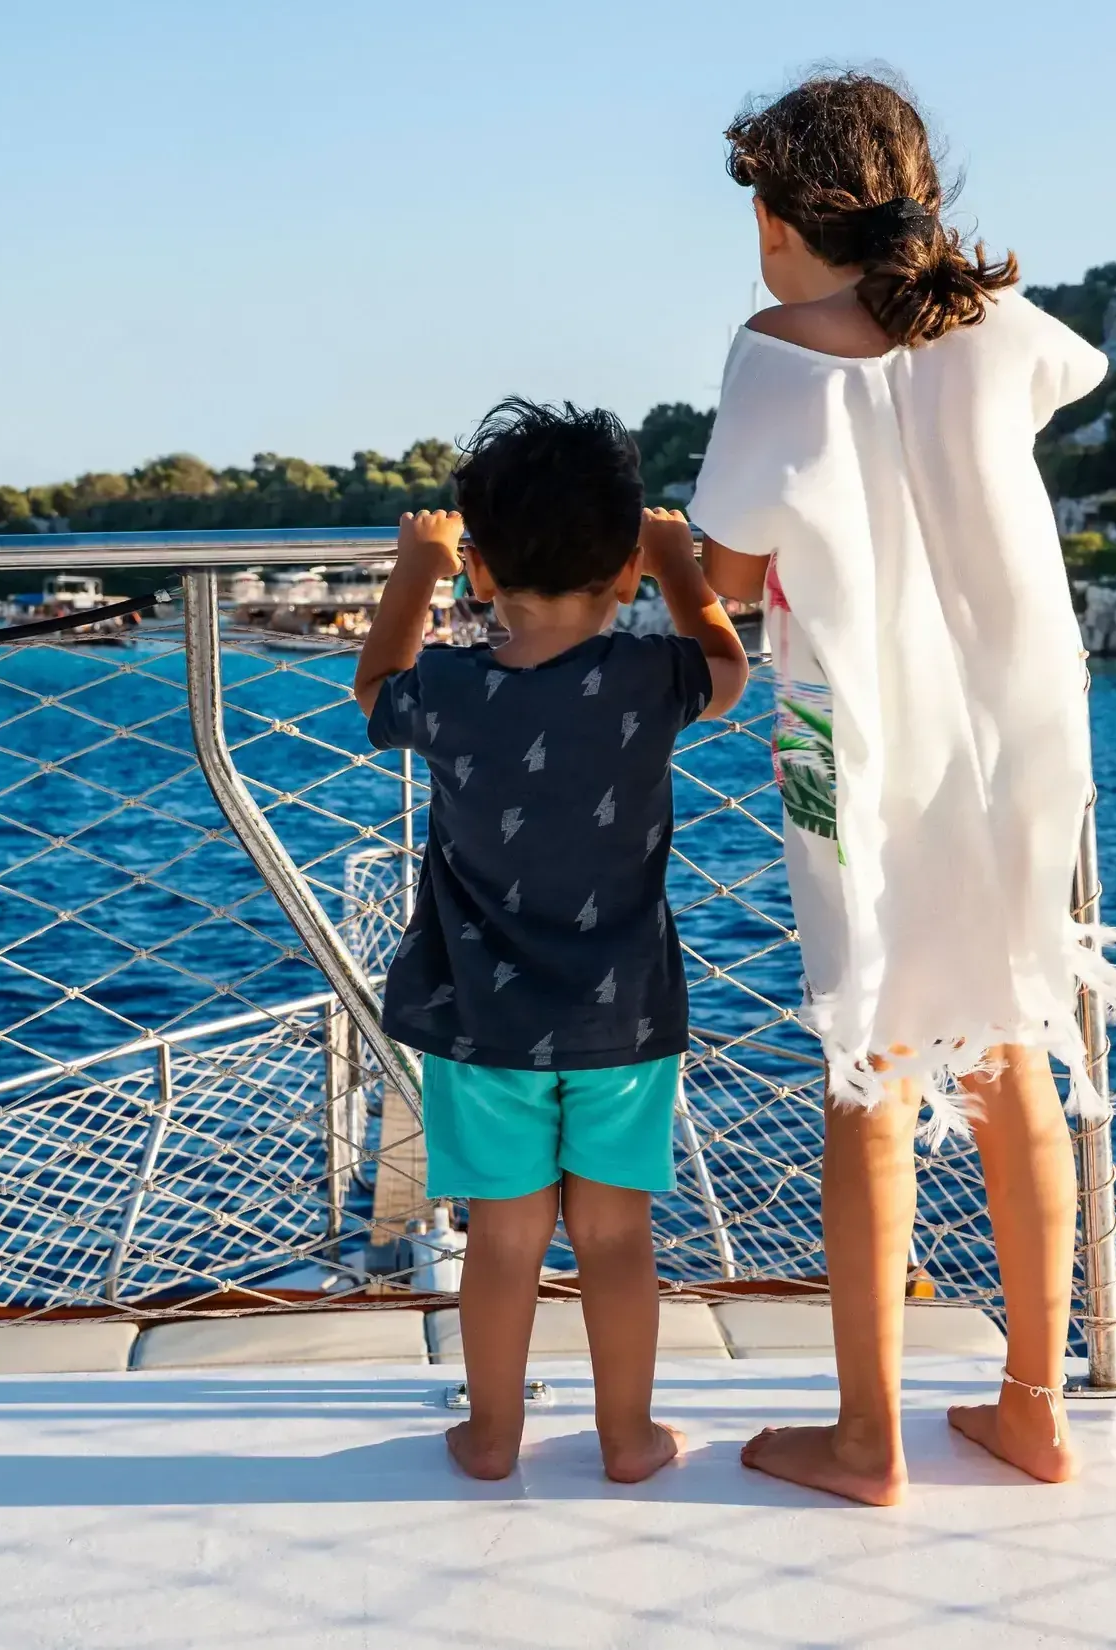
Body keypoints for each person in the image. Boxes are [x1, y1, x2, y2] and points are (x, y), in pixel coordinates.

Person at [685, 72, 1116, 1506]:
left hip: (864, 739)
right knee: (1018, 1035)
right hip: (1021, 733)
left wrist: (686, 568)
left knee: (870, 1063)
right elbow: (1073, 368)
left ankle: (868, 1433)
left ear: (781, 218)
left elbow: (722, 562)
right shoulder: (998, 329)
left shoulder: (776, 354)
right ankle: (1033, 1407)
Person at [354, 399, 749, 1484]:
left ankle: (491, 1437)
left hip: (484, 1020)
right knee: (617, 1239)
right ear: (622, 568)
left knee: (502, 1236)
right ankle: (628, 1438)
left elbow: (373, 688)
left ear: (479, 569)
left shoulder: (450, 684)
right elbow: (730, 668)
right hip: (623, 1016)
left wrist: (415, 567)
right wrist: (679, 566)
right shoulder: (648, 678)